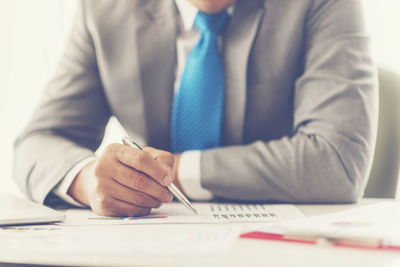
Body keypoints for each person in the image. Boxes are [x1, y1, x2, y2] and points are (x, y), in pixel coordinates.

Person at [14, 0, 378, 217]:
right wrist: (88, 178)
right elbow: (39, 142)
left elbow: (337, 161)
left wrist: (171, 171)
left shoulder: (323, 5)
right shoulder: (105, 9)